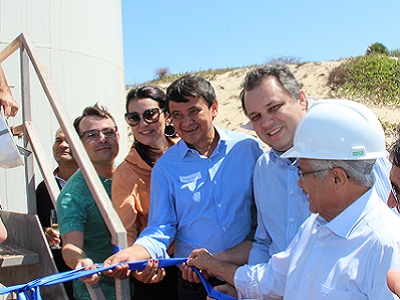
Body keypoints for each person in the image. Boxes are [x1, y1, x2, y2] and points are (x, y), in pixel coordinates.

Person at [187, 100, 400, 299]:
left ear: (337, 178)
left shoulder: (385, 246)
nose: (299, 184)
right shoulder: (315, 227)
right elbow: (273, 280)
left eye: (303, 172)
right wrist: (217, 269)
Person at [104, 75, 263, 299]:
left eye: (193, 111)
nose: (186, 122)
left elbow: (264, 214)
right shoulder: (165, 168)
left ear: (214, 108)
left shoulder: (248, 149)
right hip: (196, 281)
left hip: (247, 273)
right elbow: (161, 228)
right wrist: (134, 254)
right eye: (177, 115)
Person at [239, 64, 390, 267]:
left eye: (274, 108)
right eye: (255, 117)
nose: (265, 123)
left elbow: (388, 227)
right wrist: (249, 291)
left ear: (301, 100)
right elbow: (264, 243)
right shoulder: (264, 168)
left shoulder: (351, 146)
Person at [112, 85, 179, 299]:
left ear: (166, 115)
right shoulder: (126, 173)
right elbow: (126, 230)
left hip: (203, 264)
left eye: (150, 114)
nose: (143, 124)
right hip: (159, 271)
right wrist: (137, 267)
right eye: (134, 117)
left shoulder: (188, 153)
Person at [56, 104, 121, 300]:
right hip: (99, 293)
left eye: (108, 132)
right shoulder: (73, 194)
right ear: (79, 144)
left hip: (143, 287)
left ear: (118, 136)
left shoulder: (132, 174)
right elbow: (70, 246)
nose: (102, 139)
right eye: (91, 135)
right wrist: (82, 262)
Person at [35, 128, 78, 299]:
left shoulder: (93, 184)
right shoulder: (43, 188)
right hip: (59, 272)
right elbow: (39, 227)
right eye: (58, 140)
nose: (63, 145)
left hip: (90, 267)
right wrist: (45, 233)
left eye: (68, 141)